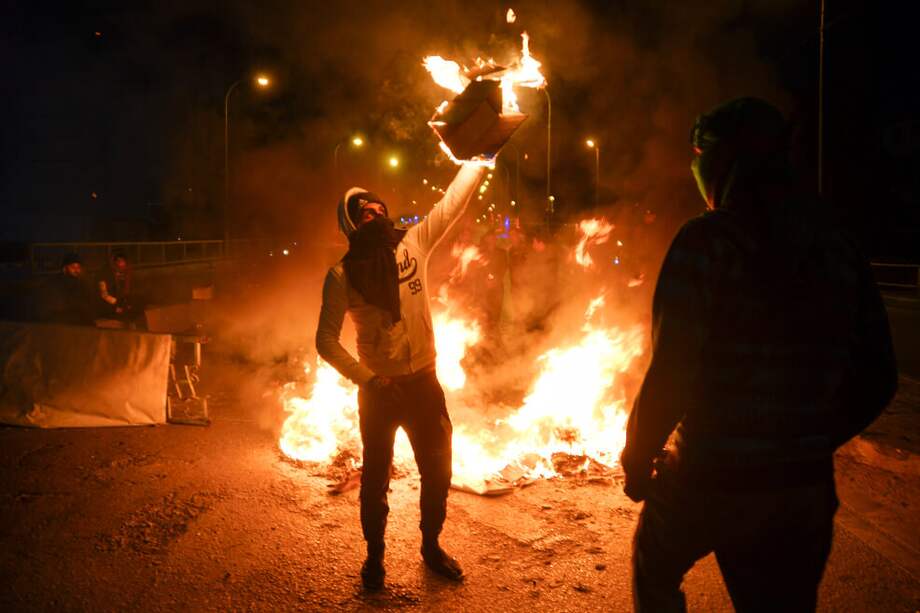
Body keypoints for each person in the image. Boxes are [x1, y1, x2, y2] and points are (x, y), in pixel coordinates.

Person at [620, 97, 898, 612]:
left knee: (654, 569)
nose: (693, 166)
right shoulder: (837, 244)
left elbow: (672, 370)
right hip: (802, 491)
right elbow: (880, 375)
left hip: (709, 475)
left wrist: (637, 458)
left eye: (697, 153)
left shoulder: (707, 241)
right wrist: (809, 437)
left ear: (721, 162)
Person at [316, 163, 486, 590]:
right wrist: (368, 380)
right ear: (353, 226)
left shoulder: (414, 246)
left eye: (378, 206)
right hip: (379, 392)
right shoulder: (341, 276)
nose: (374, 210)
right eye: (364, 211)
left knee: (439, 471)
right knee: (375, 481)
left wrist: (480, 160)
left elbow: (451, 203)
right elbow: (326, 341)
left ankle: (431, 546)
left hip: (424, 384)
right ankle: (374, 559)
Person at [40, 252, 97, 325]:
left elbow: (89, 304)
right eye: (73, 267)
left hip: (80, 323)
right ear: (64, 269)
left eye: (78, 267)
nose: (76, 270)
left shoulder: (83, 284)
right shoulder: (55, 283)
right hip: (62, 323)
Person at [97, 251, 141, 326]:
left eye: (123, 261)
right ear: (114, 262)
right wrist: (116, 305)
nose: (122, 264)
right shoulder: (105, 274)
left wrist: (128, 302)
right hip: (107, 308)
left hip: (121, 305)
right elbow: (104, 295)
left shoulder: (126, 273)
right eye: (119, 261)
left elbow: (129, 290)